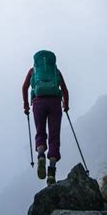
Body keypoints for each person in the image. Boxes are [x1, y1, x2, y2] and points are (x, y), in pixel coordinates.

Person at [22, 49, 69, 185]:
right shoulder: (56, 71)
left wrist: (26, 105)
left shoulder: (33, 71)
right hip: (54, 103)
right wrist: (66, 105)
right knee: (54, 136)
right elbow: (65, 90)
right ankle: (51, 173)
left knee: (40, 133)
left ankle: (41, 156)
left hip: (38, 103)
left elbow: (24, 87)